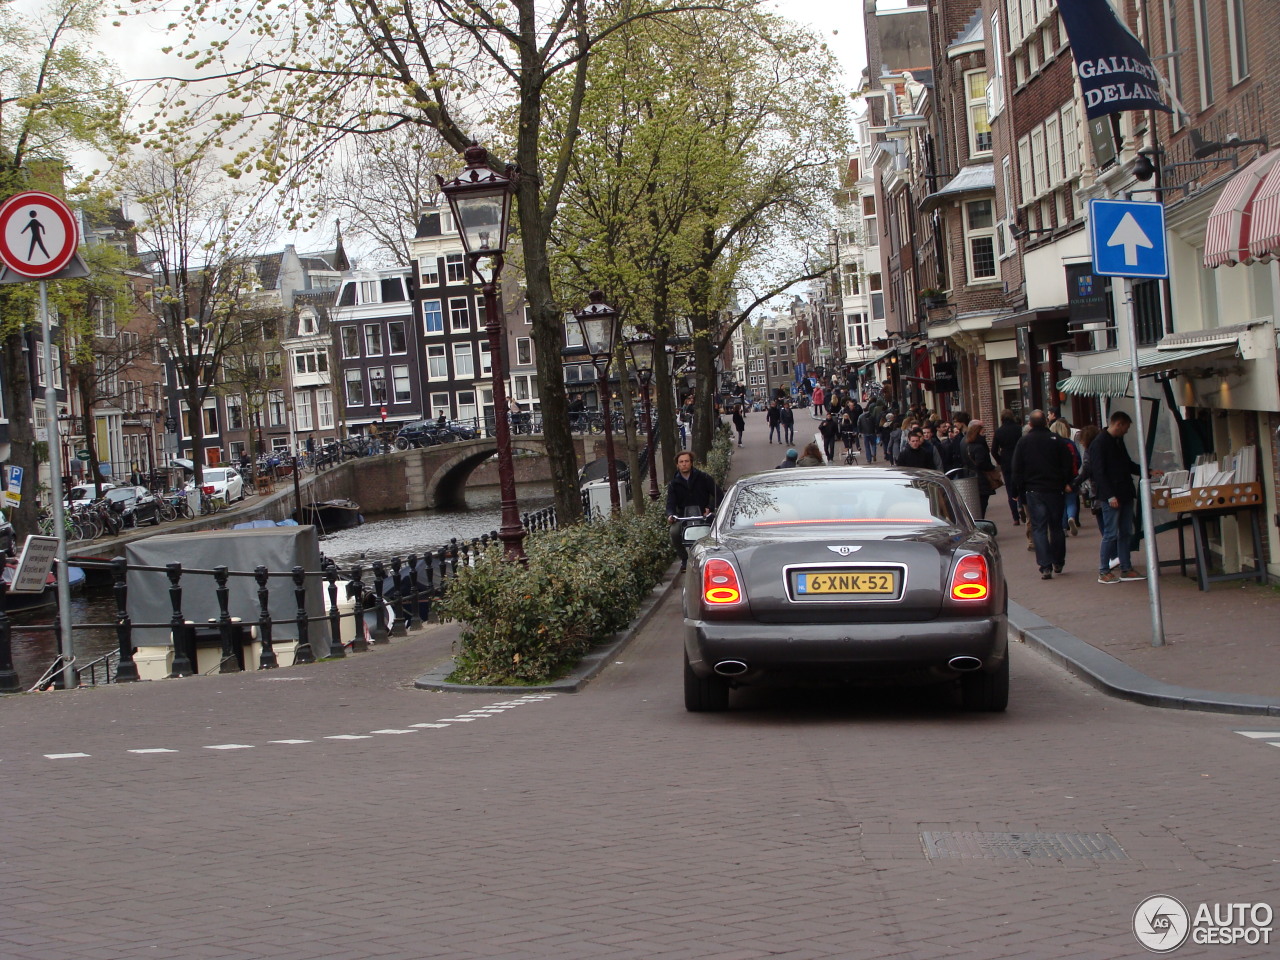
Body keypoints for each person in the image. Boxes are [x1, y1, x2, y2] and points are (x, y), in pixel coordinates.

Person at [1010, 410, 1074, 579]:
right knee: (1056, 527)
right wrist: (1066, 481)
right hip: (1055, 489)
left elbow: (1016, 468)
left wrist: (1017, 490)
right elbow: (1068, 462)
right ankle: (1058, 561)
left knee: (1039, 528)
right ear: (1046, 422)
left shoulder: (1023, 443)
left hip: (1034, 490)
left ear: (1030, 424)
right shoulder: (1057, 441)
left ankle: (1045, 566)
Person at [1089, 411, 1147, 584]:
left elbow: (1126, 464)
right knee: (1111, 533)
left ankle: (1125, 567)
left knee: (1125, 532)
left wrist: (1146, 470)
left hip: (1124, 492)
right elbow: (1099, 472)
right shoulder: (1099, 443)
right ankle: (1103, 570)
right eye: (1126, 427)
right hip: (1113, 495)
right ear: (1119, 424)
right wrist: (1109, 495)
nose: (1126, 431)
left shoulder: (1117, 441)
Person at [666, 450, 718, 572]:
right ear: (677, 465)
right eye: (681, 462)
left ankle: (715, 555)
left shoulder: (704, 478)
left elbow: (718, 494)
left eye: (686, 461)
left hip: (704, 515)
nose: (684, 464)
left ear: (691, 463)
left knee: (717, 528)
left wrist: (709, 508)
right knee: (674, 532)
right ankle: (684, 559)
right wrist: (671, 515)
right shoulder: (673, 484)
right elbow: (670, 504)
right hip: (684, 517)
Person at [991, 409, 1023, 526]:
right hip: (1019, 460)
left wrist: (1000, 460)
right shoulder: (1019, 429)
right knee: (1021, 485)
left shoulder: (999, 432)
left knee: (1010, 489)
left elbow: (993, 450)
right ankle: (1022, 506)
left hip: (1006, 462)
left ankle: (1015, 516)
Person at [961, 420, 999, 519]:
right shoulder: (979, 447)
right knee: (982, 504)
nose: (984, 434)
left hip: (970, 476)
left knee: (975, 505)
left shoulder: (965, 444)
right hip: (981, 479)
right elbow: (982, 463)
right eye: (983, 432)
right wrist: (992, 468)